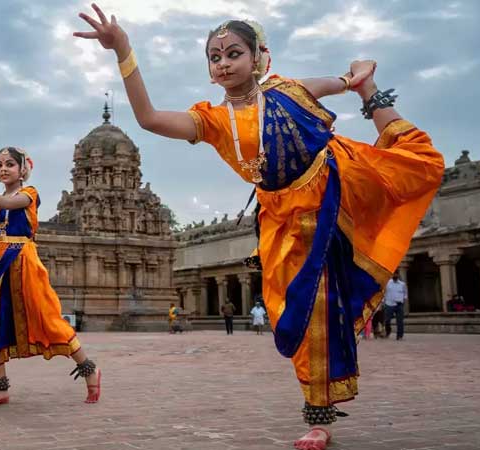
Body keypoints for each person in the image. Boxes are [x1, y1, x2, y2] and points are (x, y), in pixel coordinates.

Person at [75, 5, 443, 449]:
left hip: (335, 184)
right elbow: (149, 118)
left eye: (233, 53)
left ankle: (318, 419)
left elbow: (333, 84)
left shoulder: (289, 90)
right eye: (215, 57)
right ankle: (319, 406)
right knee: (297, 315)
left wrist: (356, 83)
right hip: (284, 219)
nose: (224, 63)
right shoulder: (212, 121)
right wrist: (124, 51)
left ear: (257, 57)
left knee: (412, 168)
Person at [0, 146, 101, 407]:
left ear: (22, 169)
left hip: (22, 260)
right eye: (0, 164)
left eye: (10, 164)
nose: (4, 168)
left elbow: (7, 203)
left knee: (46, 316)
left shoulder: (28, 194)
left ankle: (89, 369)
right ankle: (1, 389)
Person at [383, 272, 407, 340]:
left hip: (399, 304)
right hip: (389, 304)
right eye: (393, 274)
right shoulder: (387, 283)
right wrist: (383, 302)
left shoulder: (402, 284)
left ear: (398, 275)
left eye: (396, 274)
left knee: (400, 321)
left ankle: (399, 335)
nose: (395, 275)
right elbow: (383, 292)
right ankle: (388, 331)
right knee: (387, 320)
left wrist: (403, 302)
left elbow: (405, 294)